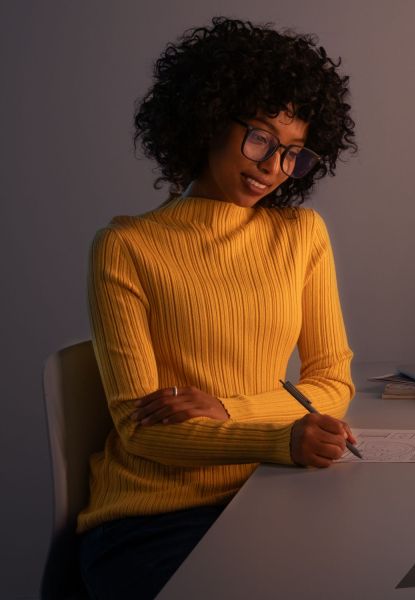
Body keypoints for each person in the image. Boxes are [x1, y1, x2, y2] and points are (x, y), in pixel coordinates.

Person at [78, 17, 358, 600]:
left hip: (273, 492)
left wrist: (230, 410)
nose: (271, 168)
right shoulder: (126, 246)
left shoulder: (302, 235)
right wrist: (279, 438)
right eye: (259, 138)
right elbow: (142, 433)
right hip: (156, 516)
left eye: (293, 155)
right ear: (207, 117)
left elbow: (331, 381)